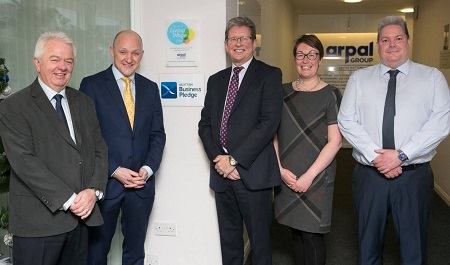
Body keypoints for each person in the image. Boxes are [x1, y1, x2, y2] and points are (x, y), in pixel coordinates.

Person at [338, 16, 450, 265]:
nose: (392, 45)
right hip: (370, 177)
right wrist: (378, 157)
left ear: (408, 42)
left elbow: (440, 124)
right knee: (367, 247)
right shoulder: (359, 79)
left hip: (413, 176)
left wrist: (401, 155)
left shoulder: (432, 78)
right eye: (385, 40)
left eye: (398, 38)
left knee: (414, 249)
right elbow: (346, 121)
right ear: (378, 45)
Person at [0, 32, 108, 265]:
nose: (62, 67)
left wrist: (94, 191)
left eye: (68, 61)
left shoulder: (84, 103)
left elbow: (99, 150)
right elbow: (24, 161)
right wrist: (70, 200)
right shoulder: (14, 107)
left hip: (81, 221)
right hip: (38, 225)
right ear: (37, 63)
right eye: (55, 59)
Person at [198, 16, 283, 265]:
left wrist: (234, 161)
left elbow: (268, 124)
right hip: (222, 176)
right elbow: (204, 126)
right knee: (230, 243)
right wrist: (219, 159)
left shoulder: (269, 75)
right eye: (233, 39)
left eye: (244, 38)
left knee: (260, 245)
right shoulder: (216, 80)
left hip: (253, 176)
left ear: (254, 42)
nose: (238, 43)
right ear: (226, 44)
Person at [80, 30, 166, 265]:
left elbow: (158, 134)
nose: (129, 58)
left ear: (142, 55)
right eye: (123, 52)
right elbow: (85, 138)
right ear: (112, 51)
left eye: (135, 53)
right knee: (96, 253)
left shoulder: (150, 88)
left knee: (135, 253)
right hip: (104, 185)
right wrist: (114, 170)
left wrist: (147, 170)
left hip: (141, 186)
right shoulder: (91, 85)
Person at [273, 34, 342, 265]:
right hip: (287, 174)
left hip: (317, 177)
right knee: (295, 232)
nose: (306, 59)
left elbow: (335, 141)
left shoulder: (331, 94)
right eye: (301, 54)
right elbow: (271, 134)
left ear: (319, 59)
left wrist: (309, 177)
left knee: (312, 235)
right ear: (294, 59)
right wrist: (280, 169)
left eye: (312, 54)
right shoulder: (280, 93)